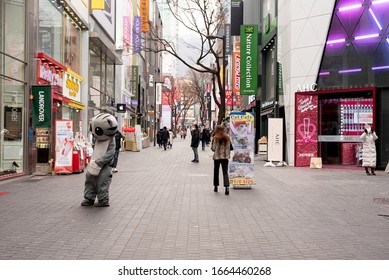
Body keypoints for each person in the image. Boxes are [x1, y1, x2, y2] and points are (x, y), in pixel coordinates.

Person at [82, 113, 117, 207]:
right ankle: (89, 198)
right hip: (95, 163)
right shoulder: (98, 139)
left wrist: (100, 161)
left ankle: (103, 200)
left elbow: (110, 153)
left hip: (105, 165)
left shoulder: (111, 139)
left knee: (102, 182)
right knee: (90, 179)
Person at [211, 125, 232, 195]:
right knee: (225, 172)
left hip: (217, 157)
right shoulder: (227, 137)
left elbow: (213, 148)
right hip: (225, 157)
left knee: (216, 172)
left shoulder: (215, 138)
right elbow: (230, 148)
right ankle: (227, 187)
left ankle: (216, 186)